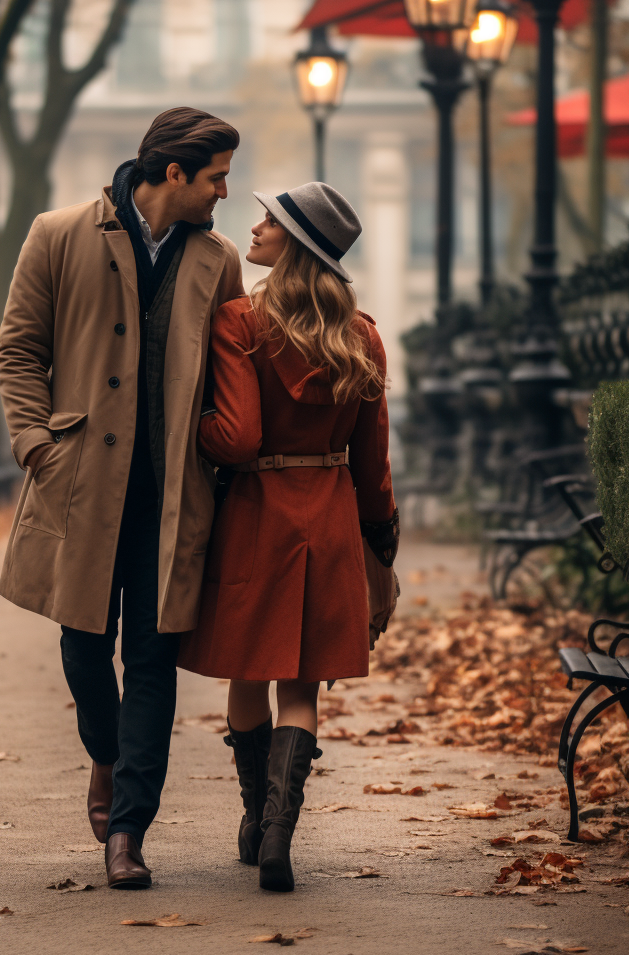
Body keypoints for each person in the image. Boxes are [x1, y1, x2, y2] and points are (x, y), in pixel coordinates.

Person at [0, 108, 244, 889]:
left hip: (175, 497)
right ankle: (103, 755)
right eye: (216, 178)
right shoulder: (58, 233)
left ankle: (128, 832)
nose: (224, 193)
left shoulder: (219, 260)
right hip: (79, 488)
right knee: (81, 648)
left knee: (153, 661)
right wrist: (36, 445)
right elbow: (18, 349)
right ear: (175, 174)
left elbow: (233, 380)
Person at [178, 183, 399, 892]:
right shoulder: (359, 334)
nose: (257, 226)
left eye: (271, 219)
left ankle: (253, 817)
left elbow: (237, 437)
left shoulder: (240, 322)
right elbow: (373, 462)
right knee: (301, 687)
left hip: (256, 516)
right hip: (329, 517)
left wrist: (192, 433)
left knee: (249, 673)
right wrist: (382, 548)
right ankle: (280, 834)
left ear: (297, 242)